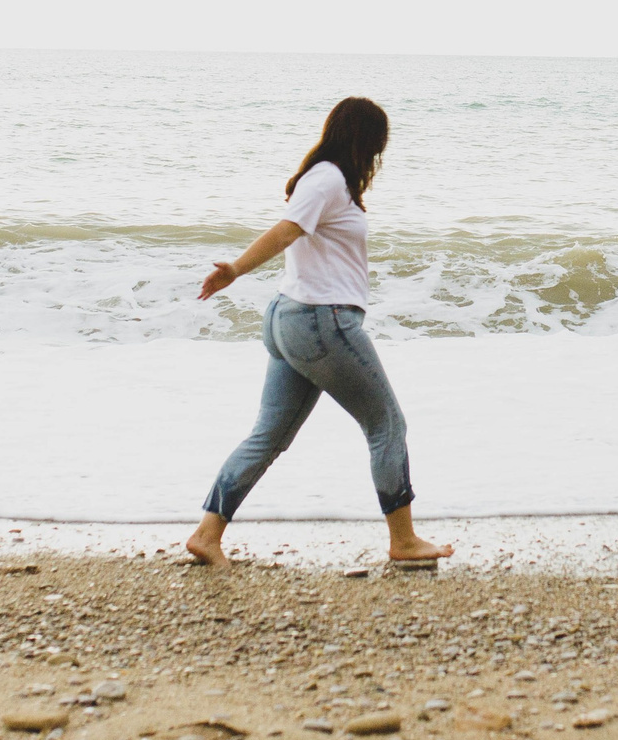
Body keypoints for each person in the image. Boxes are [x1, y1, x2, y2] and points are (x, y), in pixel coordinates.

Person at [185, 97, 452, 569]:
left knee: (268, 435)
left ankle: (207, 535)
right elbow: (287, 231)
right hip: (319, 322)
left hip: (293, 320)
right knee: (387, 424)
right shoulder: (327, 178)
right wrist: (237, 269)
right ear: (368, 141)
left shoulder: (331, 182)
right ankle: (404, 541)